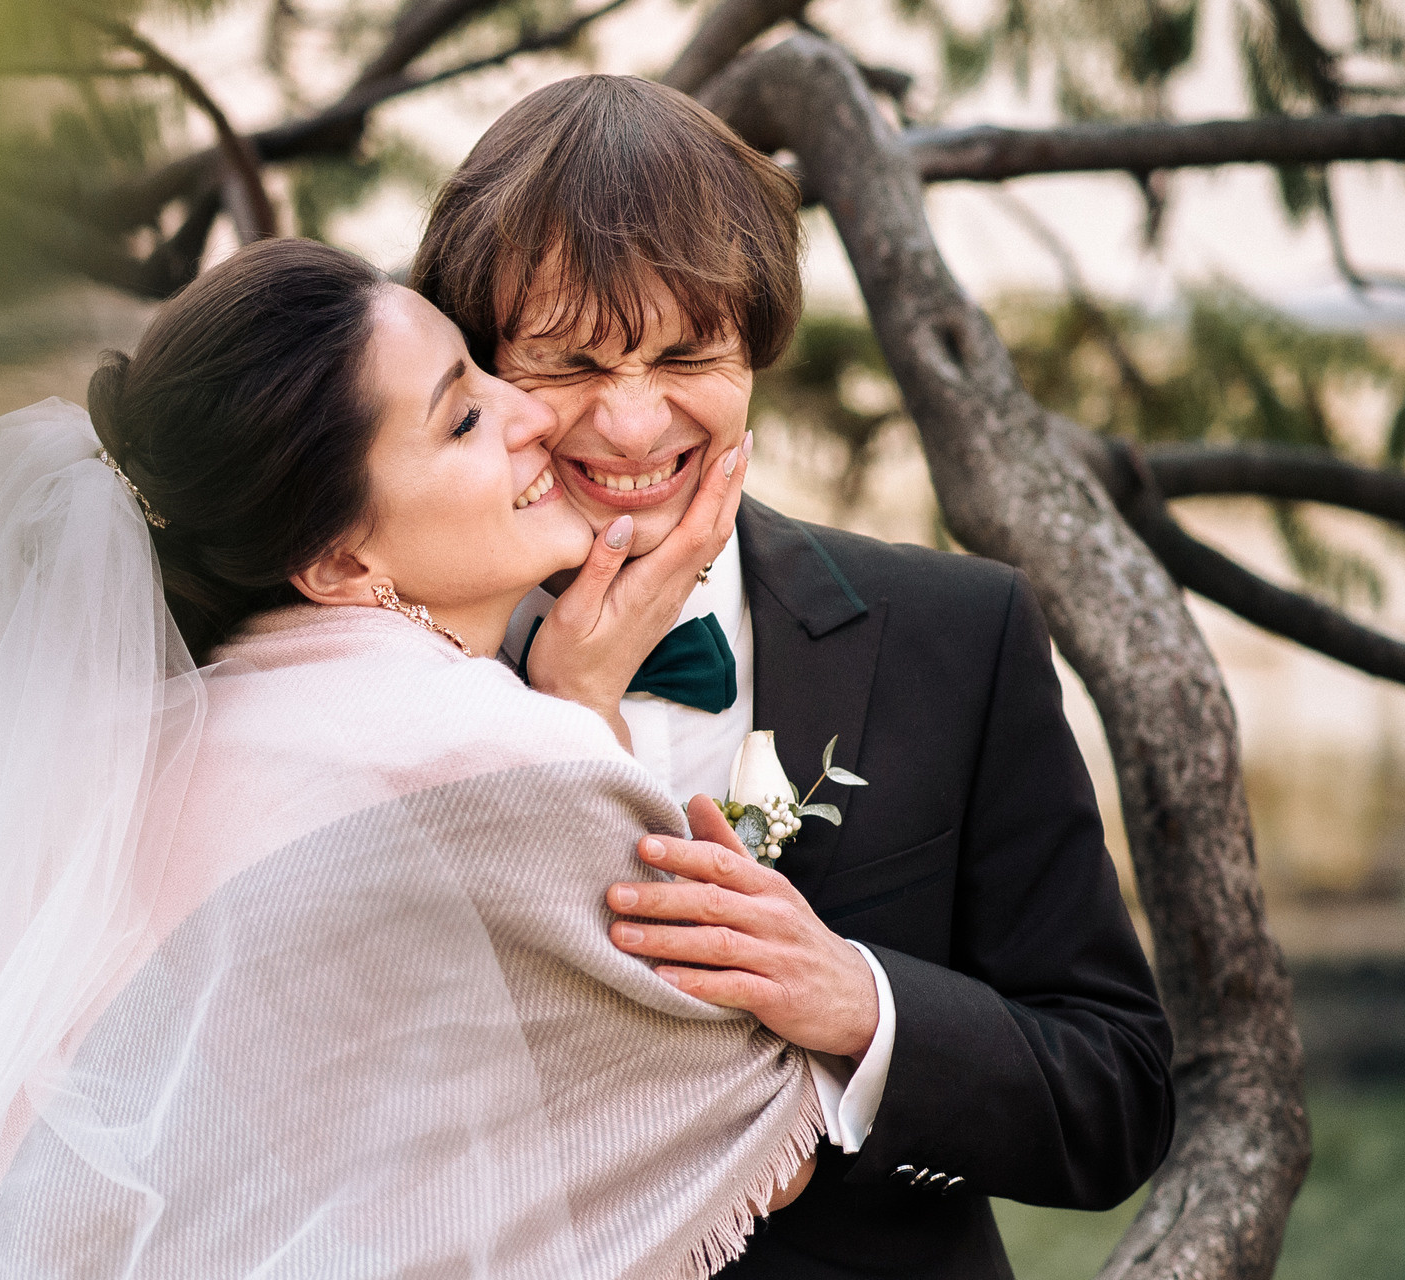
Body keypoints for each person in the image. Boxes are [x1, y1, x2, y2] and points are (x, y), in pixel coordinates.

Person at [0, 237, 837, 1280]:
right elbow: (747, 1128)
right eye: (464, 416)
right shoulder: (493, 756)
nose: (537, 413)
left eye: (480, 369)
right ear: (330, 558)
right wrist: (577, 707)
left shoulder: (151, 736)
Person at [409, 74, 1175, 1278]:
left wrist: (865, 1007)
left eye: (685, 352)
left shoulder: (956, 633)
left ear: (754, 348)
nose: (629, 421)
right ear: (485, 365)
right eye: (568, 362)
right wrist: (550, 725)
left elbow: (1116, 1094)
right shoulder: (390, 668)